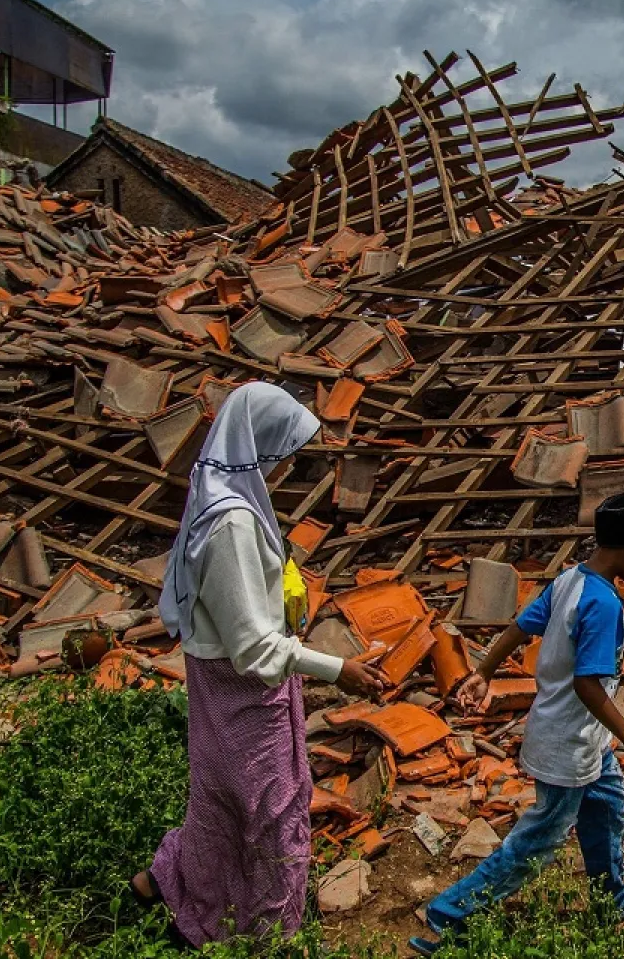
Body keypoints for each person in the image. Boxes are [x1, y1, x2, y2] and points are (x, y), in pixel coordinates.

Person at [130, 382, 383, 946]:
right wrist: (340, 669)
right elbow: (254, 648)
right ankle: (264, 931)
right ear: (260, 442)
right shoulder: (232, 525)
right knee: (269, 811)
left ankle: (167, 885)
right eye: (286, 447)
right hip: (241, 687)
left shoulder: (222, 492)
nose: (290, 463)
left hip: (228, 682)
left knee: (221, 801)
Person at [411, 489, 624, 956]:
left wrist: (483, 672)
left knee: (609, 811)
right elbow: (588, 685)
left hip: (582, 741)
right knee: (537, 841)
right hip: (567, 747)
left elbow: (520, 625)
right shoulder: (605, 604)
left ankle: (612, 902)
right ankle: (450, 915)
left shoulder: (571, 578)